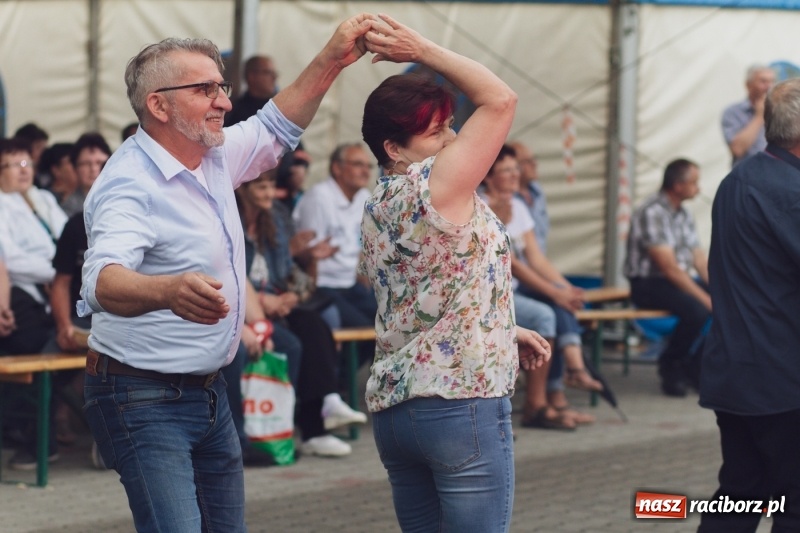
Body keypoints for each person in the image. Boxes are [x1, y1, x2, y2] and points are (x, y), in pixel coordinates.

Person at [77, 15, 377, 532]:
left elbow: (277, 124)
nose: (224, 102)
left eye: (222, 87)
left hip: (210, 389)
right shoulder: (128, 184)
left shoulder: (210, 153)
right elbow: (100, 281)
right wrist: (167, 290)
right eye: (205, 89)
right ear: (159, 106)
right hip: (141, 397)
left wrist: (333, 58)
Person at [359, 15, 550, 532]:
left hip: (396, 408)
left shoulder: (378, 203)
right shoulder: (434, 185)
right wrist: (420, 48)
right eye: (437, 130)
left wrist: (499, 328)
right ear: (394, 148)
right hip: (458, 404)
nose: (453, 137)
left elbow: (424, 294)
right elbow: (501, 99)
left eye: (450, 124)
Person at [698, 78, 800, 533]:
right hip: (782, 375)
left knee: (741, 493)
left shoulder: (739, 178)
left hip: (737, 368)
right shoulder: (790, 192)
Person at [236, 170, 367, 457]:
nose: (269, 194)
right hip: (240, 307)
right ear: (242, 189)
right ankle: (281, 429)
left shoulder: (275, 218)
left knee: (314, 324)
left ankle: (319, 422)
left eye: (271, 186)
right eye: (261, 187)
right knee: (292, 344)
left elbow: (286, 273)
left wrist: (290, 296)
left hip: (274, 304)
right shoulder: (230, 218)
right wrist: (262, 300)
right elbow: (228, 272)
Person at [481, 145, 601, 430]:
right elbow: (512, 263)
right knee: (545, 314)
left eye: (515, 168)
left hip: (514, 290)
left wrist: (565, 289)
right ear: (488, 177)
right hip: (491, 294)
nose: (515, 174)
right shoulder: (481, 204)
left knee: (557, 306)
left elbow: (535, 257)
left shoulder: (518, 206)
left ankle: (556, 395)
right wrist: (555, 292)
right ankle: (538, 403)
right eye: (506, 170)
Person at [623, 158, 711, 397]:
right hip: (648, 283)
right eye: (694, 182)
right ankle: (671, 363)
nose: (698, 188)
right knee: (698, 310)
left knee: (729, 302)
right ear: (678, 186)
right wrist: (706, 299)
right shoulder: (652, 212)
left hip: (675, 280)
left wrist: (718, 289)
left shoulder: (684, 214)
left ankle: (695, 365)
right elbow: (669, 268)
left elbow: (699, 259)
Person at [293, 143, 378, 344]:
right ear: (337, 168)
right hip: (323, 285)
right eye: (358, 164)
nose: (365, 171)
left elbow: (365, 244)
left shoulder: (364, 198)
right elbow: (306, 254)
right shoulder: (318, 198)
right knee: (366, 331)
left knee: (391, 321)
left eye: (368, 166)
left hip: (351, 284)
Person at [721, 64, 776, 166]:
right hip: (747, 173)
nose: (769, 87)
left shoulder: (780, 111)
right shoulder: (733, 112)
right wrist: (759, 116)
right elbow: (737, 149)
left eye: (772, 81)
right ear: (748, 85)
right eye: (763, 82)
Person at [509, 141, 549, 253]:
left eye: (534, 158)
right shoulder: (508, 199)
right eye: (527, 161)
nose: (534, 164)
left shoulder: (537, 191)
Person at [224, 54, 279, 127]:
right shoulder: (239, 114)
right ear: (251, 76)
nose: (274, 77)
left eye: (274, 73)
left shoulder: (278, 105)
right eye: (267, 72)